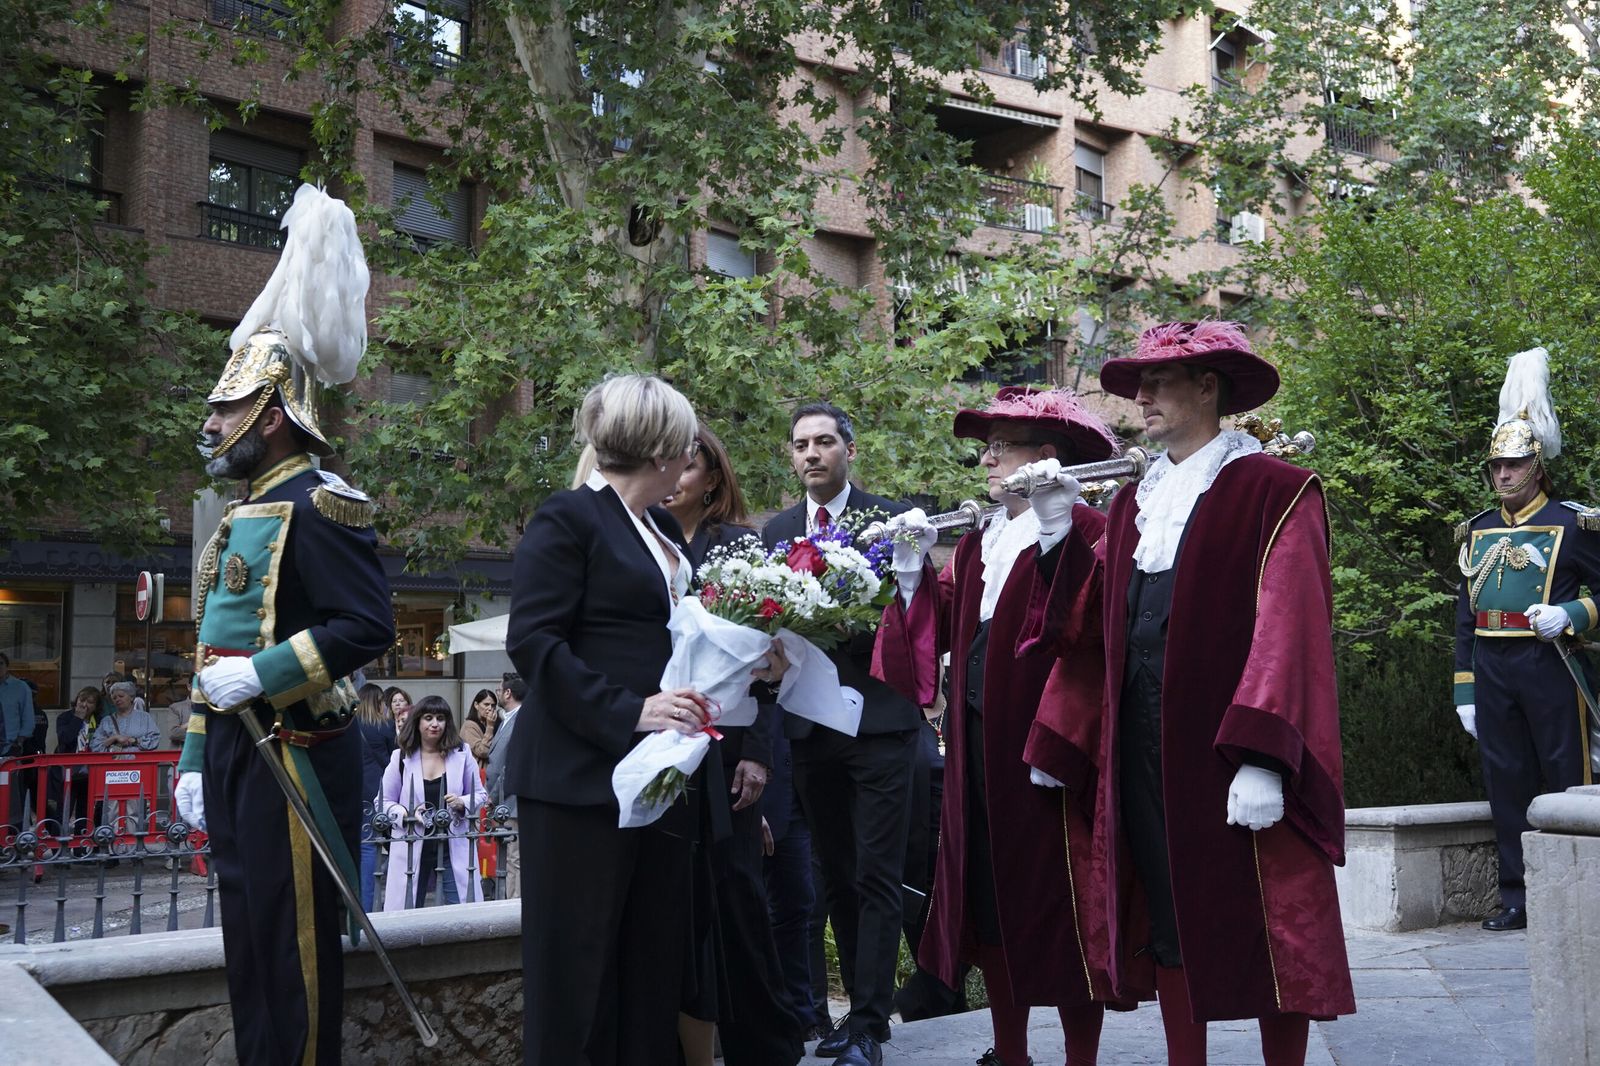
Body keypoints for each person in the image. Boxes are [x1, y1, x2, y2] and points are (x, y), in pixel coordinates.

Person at [171, 184, 395, 1066]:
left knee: (295, 948)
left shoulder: (320, 502)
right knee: (248, 940)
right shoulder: (242, 511)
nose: (213, 425)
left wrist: (263, 677)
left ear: (271, 416)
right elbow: (212, 647)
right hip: (235, 751)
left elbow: (366, 622)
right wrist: (194, 754)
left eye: (226, 412)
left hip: (296, 749)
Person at [1093, 321, 1354, 1066]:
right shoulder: (1130, 506)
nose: (1140, 396)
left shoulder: (1276, 490)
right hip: (1146, 740)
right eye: (1138, 382)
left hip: (1232, 741)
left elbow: (1291, 625)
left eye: (1159, 381)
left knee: (1274, 921)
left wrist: (1265, 753)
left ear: (1208, 389)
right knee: (1170, 909)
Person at [876, 387, 1127, 1066]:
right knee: (989, 906)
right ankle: (1009, 1052)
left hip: (1049, 749)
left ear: (1044, 457)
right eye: (986, 447)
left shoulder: (1093, 531)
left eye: (1000, 446)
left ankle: (1081, 1058)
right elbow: (937, 626)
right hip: (979, 750)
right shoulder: (982, 541)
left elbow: (1091, 645)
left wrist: (1062, 738)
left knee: (1063, 907)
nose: (986, 459)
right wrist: (909, 570)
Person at [503, 373, 712, 1066]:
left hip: (653, 779)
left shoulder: (654, 528)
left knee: (648, 969)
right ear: (661, 453)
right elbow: (534, 642)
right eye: (684, 443)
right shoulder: (567, 517)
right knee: (577, 978)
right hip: (578, 781)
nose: (691, 455)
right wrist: (631, 712)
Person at [760, 401, 920, 1066]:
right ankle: (853, 1013)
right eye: (801, 445)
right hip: (809, 726)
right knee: (836, 877)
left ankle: (872, 1025)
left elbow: (918, 615)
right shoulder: (773, 532)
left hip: (880, 723)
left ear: (849, 450)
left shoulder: (894, 520)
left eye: (825, 441)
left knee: (877, 874)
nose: (812, 454)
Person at [664, 424, 803, 1066]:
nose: (673, 479)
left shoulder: (740, 546)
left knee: (741, 896)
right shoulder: (644, 539)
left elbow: (772, 665)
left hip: (733, 747)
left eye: (685, 467)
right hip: (663, 742)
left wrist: (758, 753)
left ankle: (766, 1045)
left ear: (712, 477)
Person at [1453, 346, 1600, 932]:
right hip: (1492, 665)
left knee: (1568, 775)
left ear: (1536, 466)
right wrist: (1464, 690)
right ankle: (1516, 896)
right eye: (1496, 467)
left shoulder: (1575, 522)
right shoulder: (1477, 530)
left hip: (1551, 662)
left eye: (1514, 465)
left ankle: (1584, 889)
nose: (1503, 475)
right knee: (1505, 778)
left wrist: (1570, 614)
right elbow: (1464, 617)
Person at [380, 695, 488, 908]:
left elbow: (480, 794)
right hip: (412, 845)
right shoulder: (400, 757)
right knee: (407, 912)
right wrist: (406, 814)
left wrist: (462, 802)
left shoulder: (462, 753)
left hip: (452, 844)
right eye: (428, 717)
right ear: (418, 722)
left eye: (440, 718)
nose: (434, 724)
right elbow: (382, 801)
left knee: (463, 912)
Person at [355, 683, 397, 911]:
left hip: (355, 791)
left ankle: (362, 904)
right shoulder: (385, 725)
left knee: (363, 846)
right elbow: (392, 759)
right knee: (384, 845)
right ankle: (379, 902)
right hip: (378, 791)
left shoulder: (351, 725)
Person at [484, 672, 526, 898]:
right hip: (504, 802)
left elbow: (509, 764)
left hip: (510, 801)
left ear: (508, 693)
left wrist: (492, 795)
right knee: (508, 858)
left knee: (514, 859)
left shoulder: (520, 720)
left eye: (499, 690)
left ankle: (514, 909)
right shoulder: (507, 718)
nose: (498, 693)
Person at [91, 682, 160, 753]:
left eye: (121, 696)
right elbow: (95, 745)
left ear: (131, 697)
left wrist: (133, 740)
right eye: (114, 698)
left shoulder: (144, 717)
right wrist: (114, 738)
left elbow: (155, 740)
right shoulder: (106, 721)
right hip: (115, 762)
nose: (117, 699)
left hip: (139, 762)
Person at [0, 652, 36, 758]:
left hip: (10, 747)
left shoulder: (21, 688)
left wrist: (19, 741)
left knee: (10, 775)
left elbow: (28, 718)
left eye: (1, 663)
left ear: (7, 666)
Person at [460, 688, 500, 762]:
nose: (490, 708)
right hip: (478, 771)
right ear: (476, 705)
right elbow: (482, 752)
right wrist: (490, 727)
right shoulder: (469, 726)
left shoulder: (494, 722)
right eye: (486, 704)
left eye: (493, 705)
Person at [165, 682, 197, 748]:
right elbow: (173, 733)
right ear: (189, 687)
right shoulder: (175, 708)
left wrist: (184, 726)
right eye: (198, 685)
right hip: (180, 754)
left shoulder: (214, 708)